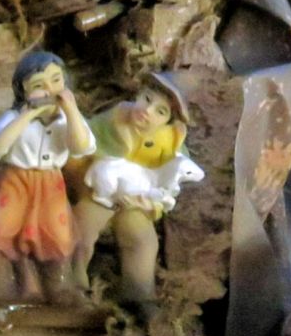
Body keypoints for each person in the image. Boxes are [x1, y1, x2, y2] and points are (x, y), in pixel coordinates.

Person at [69, 72, 199, 317]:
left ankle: (138, 296)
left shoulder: (171, 143)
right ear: (138, 94)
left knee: (142, 241)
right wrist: (85, 185)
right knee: (80, 229)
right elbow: (81, 146)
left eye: (160, 111)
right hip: (97, 192)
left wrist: (151, 205)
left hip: (136, 200)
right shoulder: (113, 120)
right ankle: (72, 285)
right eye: (147, 99)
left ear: (169, 121)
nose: (147, 111)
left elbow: (170, 181)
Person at [0, 51, 94, 303]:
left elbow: (81, 146)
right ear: (23, 91)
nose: (49, 90)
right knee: (1, 226)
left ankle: (58, 286)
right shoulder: (14, 118)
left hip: (50, 184)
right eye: (38, 85)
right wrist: (27, 115)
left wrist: (71, 110)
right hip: (16, 181)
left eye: (56, 80)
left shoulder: (67, 120)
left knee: (57, 233)